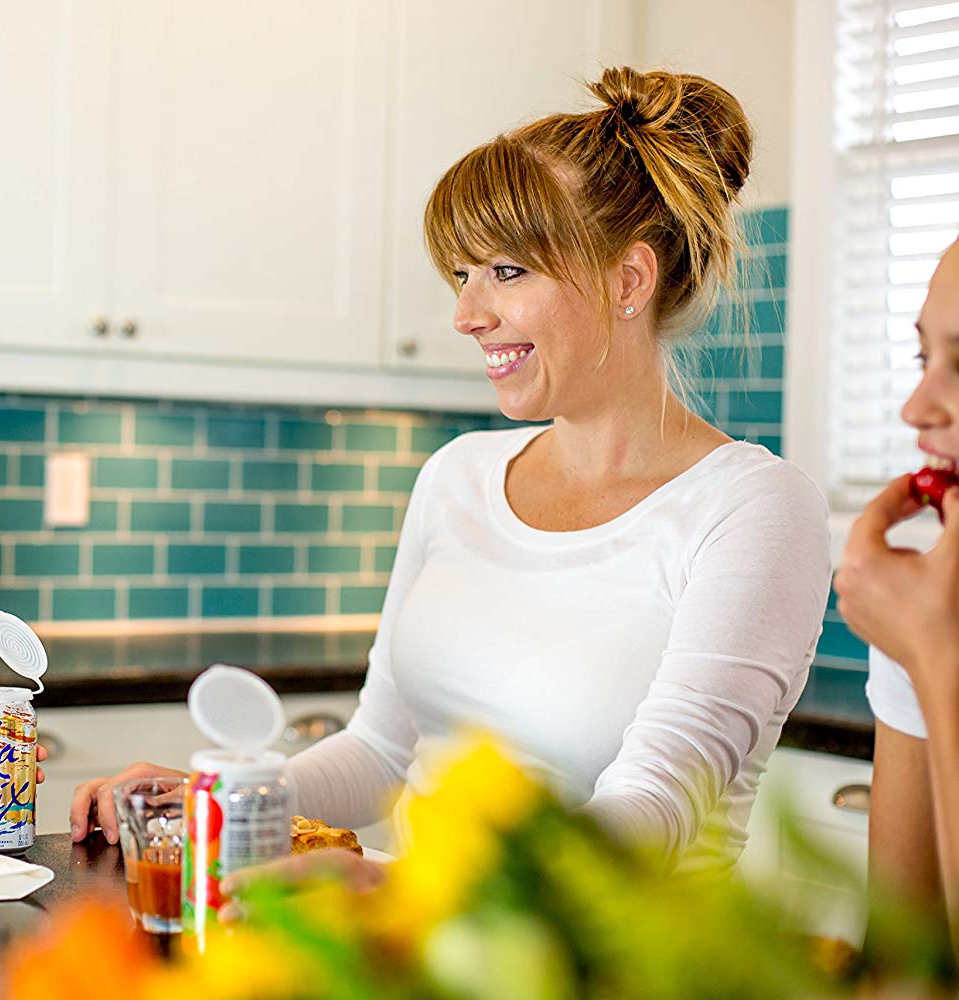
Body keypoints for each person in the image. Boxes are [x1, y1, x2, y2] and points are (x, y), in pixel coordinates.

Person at [71, 67, 832, 874]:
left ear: (628, 281)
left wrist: (384, 889)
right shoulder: (458, 476)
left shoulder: (752, 507)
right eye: (462, 275)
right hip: (428, 952)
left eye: (507, 271)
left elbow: (653, 811)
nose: (468, 314)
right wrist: (216, 800)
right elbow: (382, 753)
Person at [834, 238, 959, 952]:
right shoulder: (925, 594)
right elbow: (905, 964)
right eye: (924, 358)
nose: (917, 407)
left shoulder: (927, 628)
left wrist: (936, 658)